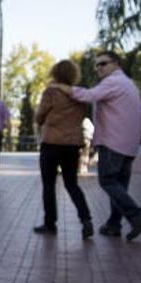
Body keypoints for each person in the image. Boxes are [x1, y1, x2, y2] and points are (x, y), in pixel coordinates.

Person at [51, 51, 141, 241]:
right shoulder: (128, 83)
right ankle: (114, 225)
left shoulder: (113, 82)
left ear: (116, 64)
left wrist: (61, 87)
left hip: (113, 142)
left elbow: (88, 95)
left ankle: (136, 214)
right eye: (96, 65)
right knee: (119, 186)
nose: (98, 68)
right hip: (129, 145)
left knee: (107, 181)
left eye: (103, 64)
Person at [33, 60, 93, 238]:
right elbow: (83, 115)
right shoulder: (79, 95)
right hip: (72, 144)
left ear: (55, 73)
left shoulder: (51, 92)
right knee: (72, 184)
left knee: (49, 185)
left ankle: (50, 223)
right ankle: (86, 219)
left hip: (51, 143)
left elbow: (39, 116)